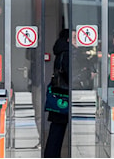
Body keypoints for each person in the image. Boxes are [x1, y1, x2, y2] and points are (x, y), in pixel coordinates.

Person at [44, 29, 69, 158]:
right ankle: (51, 155)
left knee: (56, 129)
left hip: (58, 93)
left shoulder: (60, 52)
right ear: (68, 39)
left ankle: (51, 155)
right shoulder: (66, 53)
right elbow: (69, 75)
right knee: (57, 130)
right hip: (63, 95)